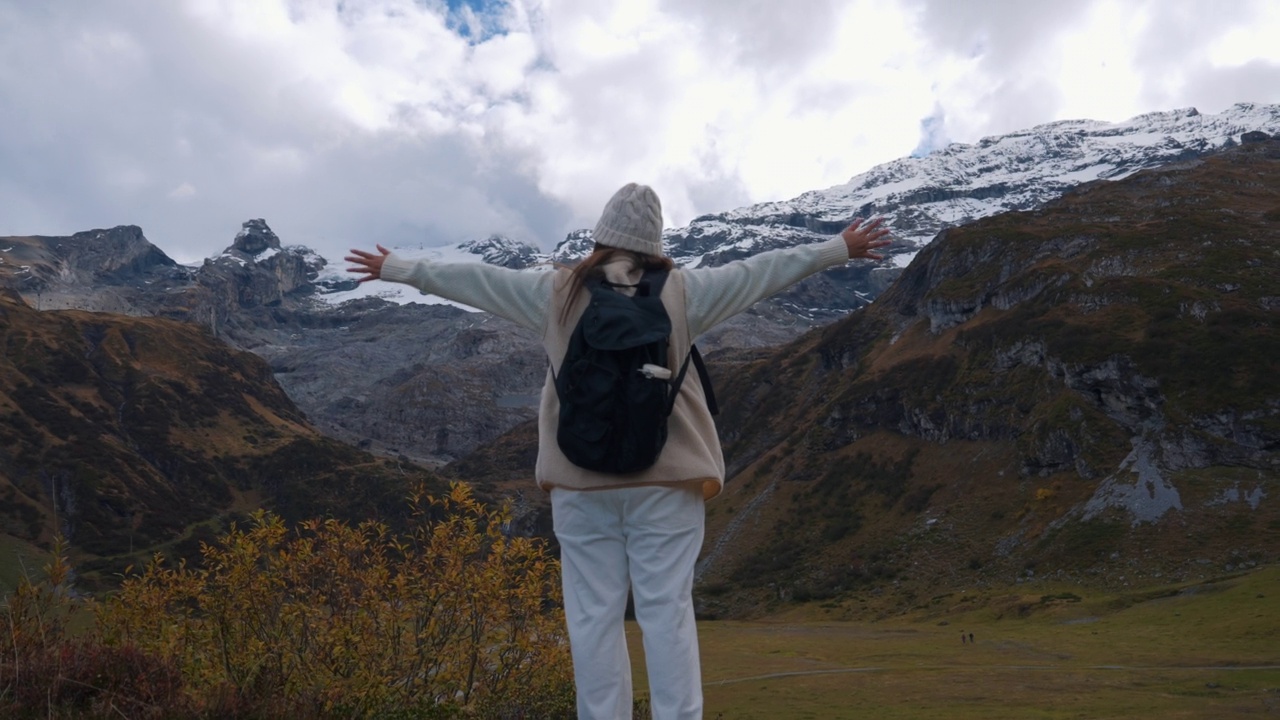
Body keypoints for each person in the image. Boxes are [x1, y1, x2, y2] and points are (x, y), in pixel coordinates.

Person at [346, 183, 891, 720]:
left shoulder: (555, 293)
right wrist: (837, 248)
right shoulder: (684, 291)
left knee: (592, 619)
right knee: (666, 615)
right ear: (654, 242)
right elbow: (762, 273)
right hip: (668, 481)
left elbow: (477, 280)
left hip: (580, 483)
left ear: (600, 236)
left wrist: (399, 268)